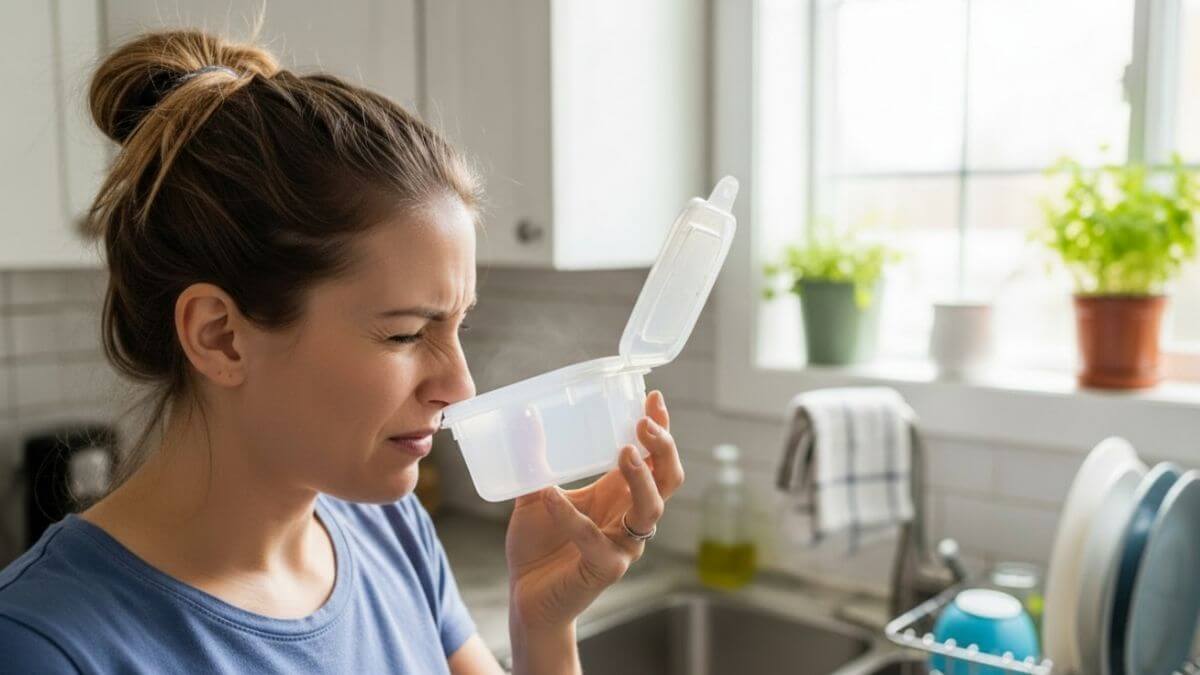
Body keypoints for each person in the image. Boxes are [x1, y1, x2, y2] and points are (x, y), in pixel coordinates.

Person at [0, 28, 684, 674]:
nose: (460, 387)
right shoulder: (47, 646)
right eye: (406, 333)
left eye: (458, 327)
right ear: (220, 336)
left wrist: (542, 626)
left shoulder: (390, 529)